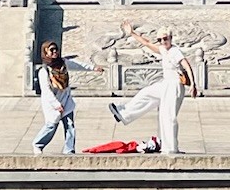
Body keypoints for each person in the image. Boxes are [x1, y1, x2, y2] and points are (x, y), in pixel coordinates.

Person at [109, 23, 200, 155]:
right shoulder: (163, 49)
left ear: (170, 38)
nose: (163, 42)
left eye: (165, 39)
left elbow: (187, 66)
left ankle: (170, 148)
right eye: (160, 40)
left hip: (174, 85)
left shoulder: (175, 51)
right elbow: (146, 43)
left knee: (168, 116)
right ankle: (124, 113)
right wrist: (132, 33)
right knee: (145, 93)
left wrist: (193, 84)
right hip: (165, 83)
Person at [33, 39, 102, 155]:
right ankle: (38, 144)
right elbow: (46, 90)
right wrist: (56, 104)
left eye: (56, 49)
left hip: (65, 99)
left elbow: (77, 65)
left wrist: (93, 68)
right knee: (51, 126)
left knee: (69, 125)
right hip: (52, 103)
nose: (55, 52)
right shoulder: (44, 71)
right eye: (51, 50)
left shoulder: (63, 63)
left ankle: (69, 150)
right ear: (46, 52)